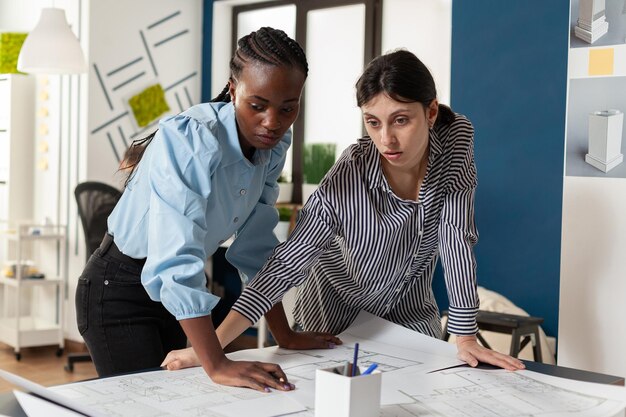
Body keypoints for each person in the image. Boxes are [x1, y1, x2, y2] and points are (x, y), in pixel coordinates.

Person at [162, 49, 526, 372]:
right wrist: (211, 347)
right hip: (333, 310)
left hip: (410, 308)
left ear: (430, 112)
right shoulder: (350, 173)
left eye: (401, 119)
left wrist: (464, 336)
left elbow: (456, 238)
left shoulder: (457, 141)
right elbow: (286, 264)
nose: (386, 139)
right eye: (373, 122)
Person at [75, 27, 332, 391]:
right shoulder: (191, 138)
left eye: (288, 108)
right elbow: (175, 259)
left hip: (174, 299)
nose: (272, 122)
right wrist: (217, 364)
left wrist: (284, 335)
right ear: (233, 89)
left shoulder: (273, 145)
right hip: (119, 291)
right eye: (257, 105)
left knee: (183, 402)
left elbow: (257, 249)